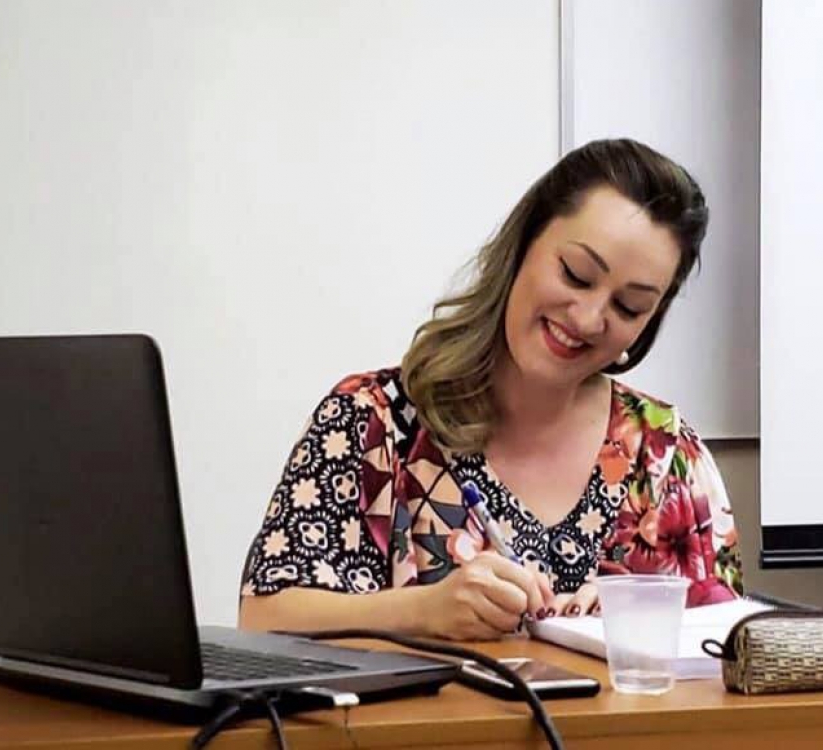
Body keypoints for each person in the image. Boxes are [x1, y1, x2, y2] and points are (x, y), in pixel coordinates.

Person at [239, 138, 742, 641]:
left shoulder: (666, 457)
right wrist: (421, 611)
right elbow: (263, 618)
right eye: (576, 275)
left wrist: (635, 614)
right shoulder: (370, 423)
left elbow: (726, 645)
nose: (589, 319)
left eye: (629, 308)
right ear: (523, 243)